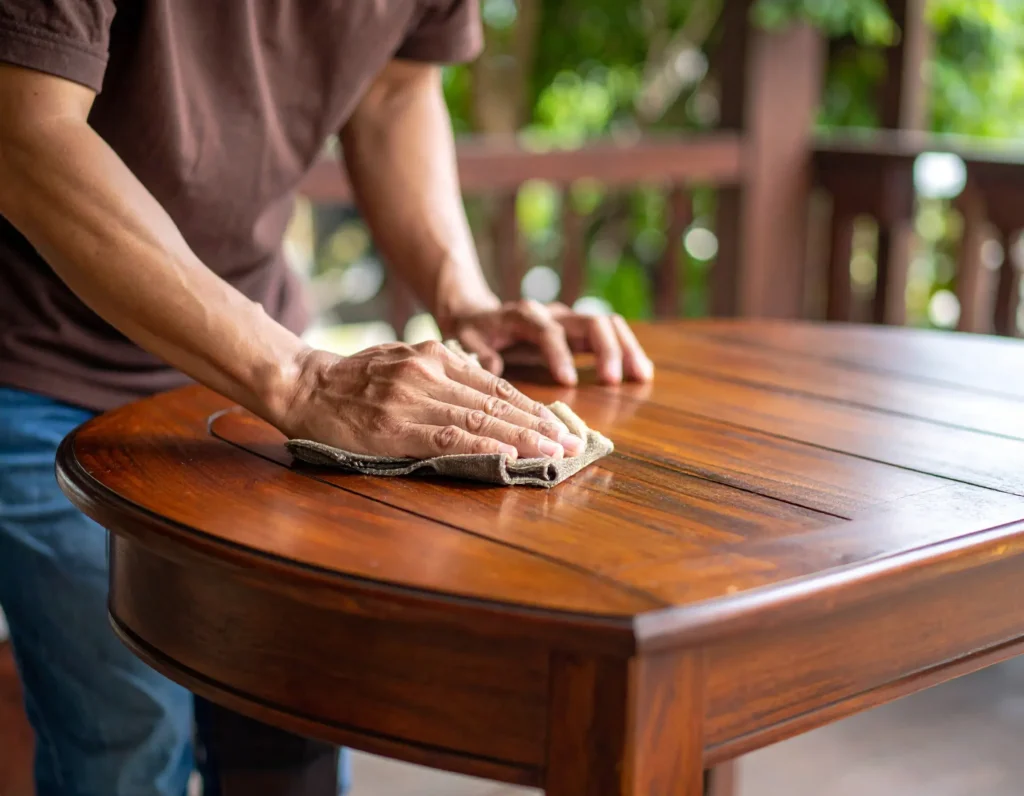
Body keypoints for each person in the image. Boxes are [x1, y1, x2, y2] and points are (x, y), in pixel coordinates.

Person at [0, 1, 654, 794]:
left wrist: (463, 298)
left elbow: (395, 92)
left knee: (294, 724)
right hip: (38, 361)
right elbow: (27, 131)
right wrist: (302, 378)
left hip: (245, 378)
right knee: (128, 743)